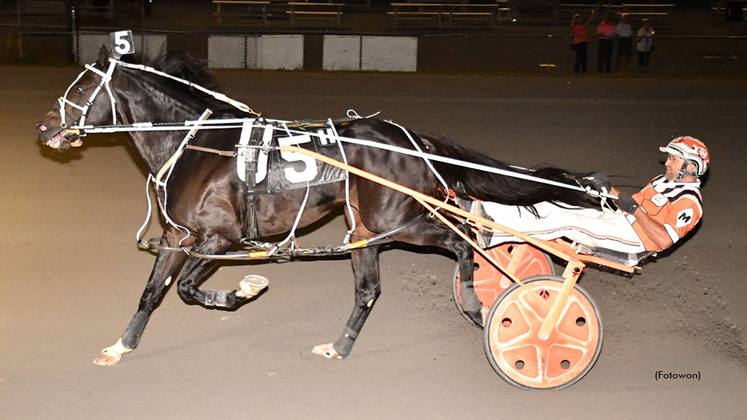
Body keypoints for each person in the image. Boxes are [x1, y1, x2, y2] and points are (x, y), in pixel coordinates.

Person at [468, 137, 709, 265]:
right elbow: (627, 202)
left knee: (567, 220)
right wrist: (606, 188)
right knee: (552, 205)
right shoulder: (662, 181)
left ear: (690, 166)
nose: (666, 163)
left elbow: (665, 240)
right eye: (668, 158)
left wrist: (635, 210)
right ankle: (485, 211)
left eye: (673, 159)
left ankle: (494, 234)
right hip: (617, 221)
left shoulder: (690, 203)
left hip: (633, 240)